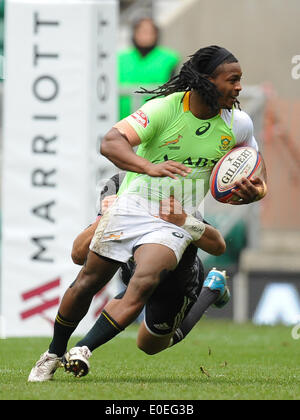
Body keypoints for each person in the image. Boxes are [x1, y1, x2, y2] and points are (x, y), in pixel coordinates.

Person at [28, 45, 267, 381]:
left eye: (240, 80)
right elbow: (111, 141)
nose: (240, 87)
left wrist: (256, 190)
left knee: (145, 281)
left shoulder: (237, 124)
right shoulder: (163, 110)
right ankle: (52, 353)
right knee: (88, 280)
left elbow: (256, 169)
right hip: (134, 204)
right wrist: (148, 167)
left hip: (176, 217)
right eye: (233, 80)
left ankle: (84, 349)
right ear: (206, 82)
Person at [119, 17, 180, 119]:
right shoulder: (120, 58)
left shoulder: (170, 58)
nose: (145, 36)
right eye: (141, 31)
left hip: (156, 119)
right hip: (123, 119)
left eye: (149, 32)